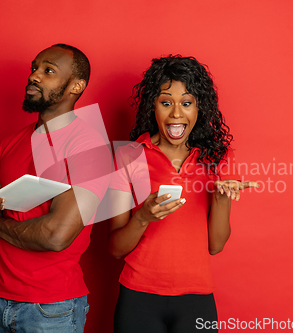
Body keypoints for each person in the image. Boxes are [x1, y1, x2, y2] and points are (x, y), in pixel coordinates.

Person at [0, 44, 111, 332]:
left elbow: (56, 236)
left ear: (76, 86)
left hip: (50, 309)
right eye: (34, 68)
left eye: (48, 71)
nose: (34, 76)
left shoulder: (88, 147)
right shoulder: (9, 144)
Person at [108, 55, 258, 333]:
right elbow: (115, 249)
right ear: (152, 106)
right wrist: (142, 217)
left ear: (199, 107)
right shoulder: (128, 156)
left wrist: (221, 198)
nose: (176, 114)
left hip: (196, 298)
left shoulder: (217, 158)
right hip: (138, 297)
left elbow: (216, 246)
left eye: (186, 103)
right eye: (166, 103)